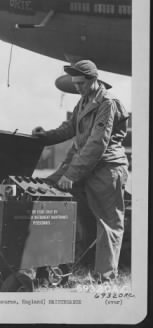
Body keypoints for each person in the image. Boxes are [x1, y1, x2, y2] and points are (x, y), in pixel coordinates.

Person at [32, 60, 129, 282]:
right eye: (75, 84)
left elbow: (97, 144)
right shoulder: (84, 100)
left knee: (108, 223)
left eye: (81, 84)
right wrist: (45, 137)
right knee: (47, 197)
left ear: (94, 80)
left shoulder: (108, 103)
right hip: (83, 164)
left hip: (107, 168)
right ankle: (46, 267)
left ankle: (105, 277)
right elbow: (69, 128)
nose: (77, 88)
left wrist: (71, 175)